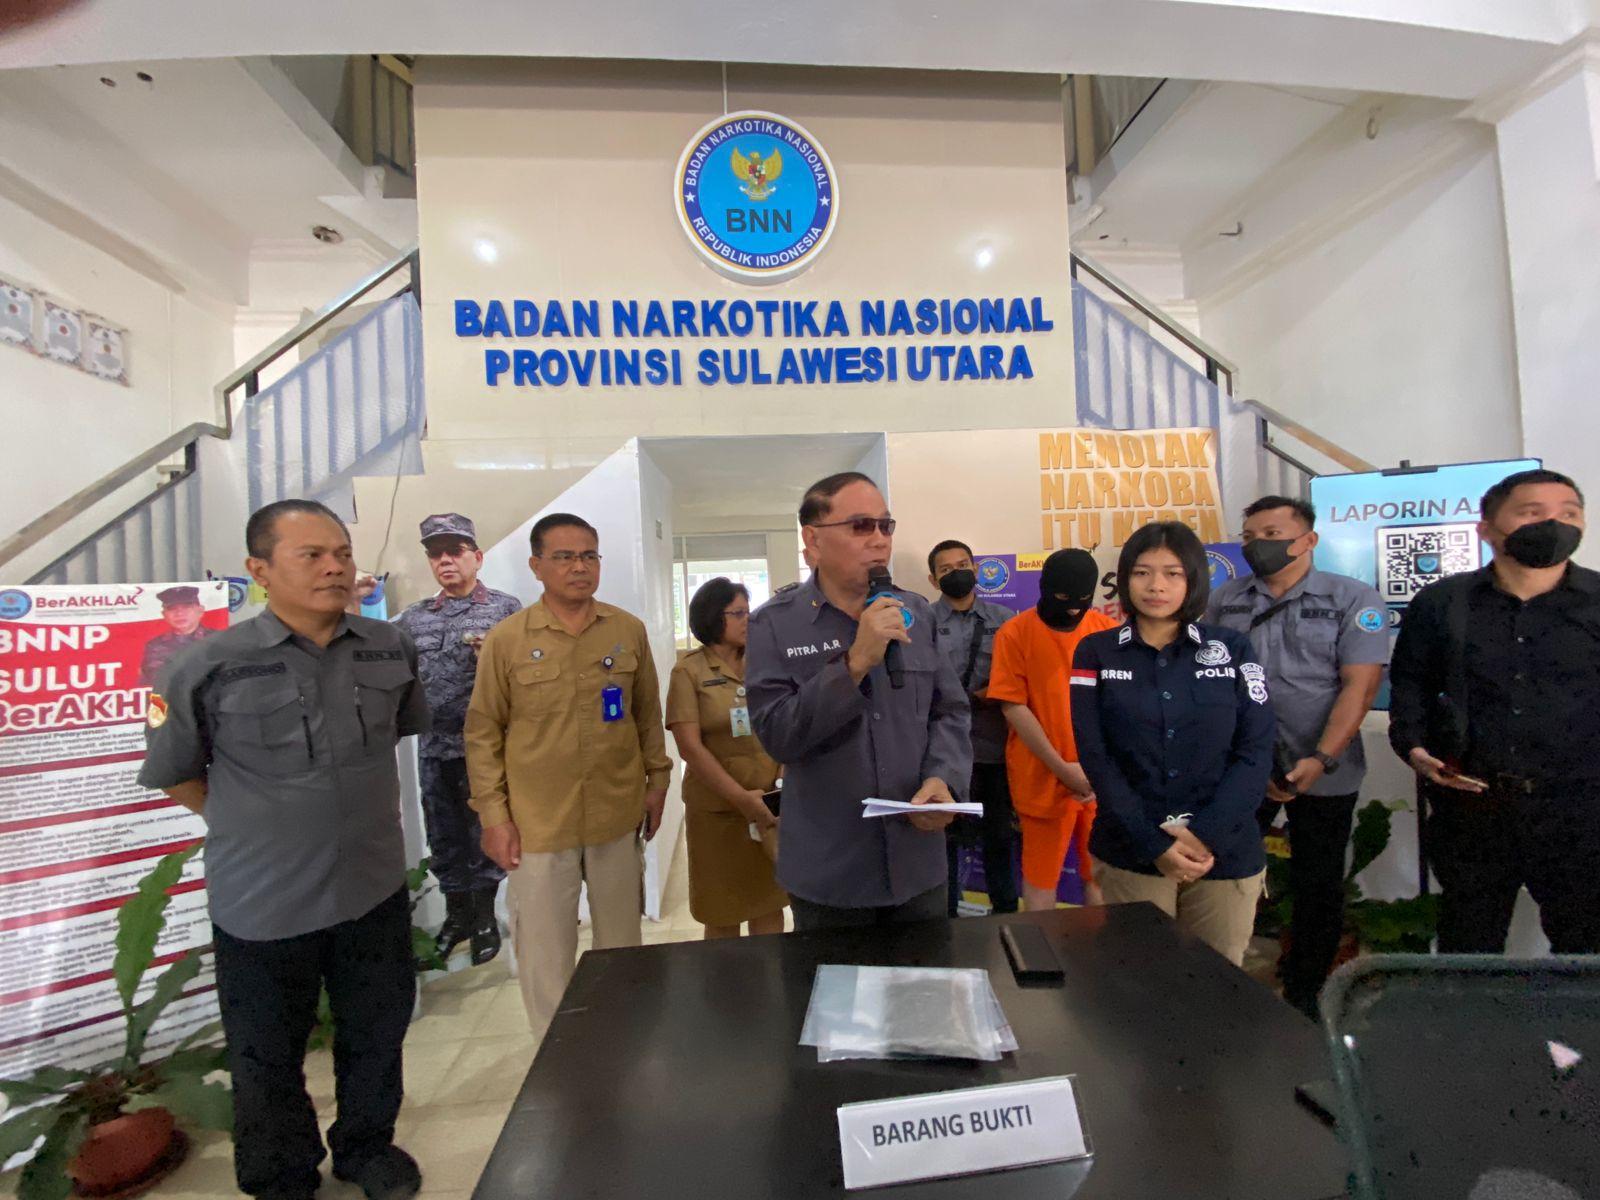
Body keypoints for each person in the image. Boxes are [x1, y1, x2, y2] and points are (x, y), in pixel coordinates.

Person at [139, 499, 429, 1200]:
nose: (335, 567)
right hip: (262, 902)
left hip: (372, 885)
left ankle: (366, 1148)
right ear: (259, 570)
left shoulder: (389, 646)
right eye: (312, 555)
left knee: (376, 1033)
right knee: (266, 1055)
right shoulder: (210, 662)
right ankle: (281, 1174)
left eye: (342, 553)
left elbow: (398, 734)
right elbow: (177, 770)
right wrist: (254, 824)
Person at [465, 513, 670, 1043]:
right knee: (546, 955)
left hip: (616, 813)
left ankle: (622, 1045)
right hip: (537, 823)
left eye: (589, 555)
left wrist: (658, 780)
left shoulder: (627, 631)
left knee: (620, 947)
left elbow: (646, 715)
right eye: (564, 556)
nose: (579, 567)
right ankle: (559, 1064)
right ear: (536, 566)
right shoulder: (507, 640)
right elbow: (483, 731)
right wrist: (494, 815)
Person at [746, 472, 971, 931]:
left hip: (917, 865)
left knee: (923, 998)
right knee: (834, 1002)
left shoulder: (918, 614)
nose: (879, 540)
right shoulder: (773, 625)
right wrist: (853, 664)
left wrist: (943, 779)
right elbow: (779, 736)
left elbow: (949, 710)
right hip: (831, 873)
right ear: (813, 540)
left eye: (885, 526)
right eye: (860, 526)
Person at [1389, 467, 1600, 954]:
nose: (1555, 524)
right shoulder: (1443, 602)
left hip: (1580, 812)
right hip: (1475, 807)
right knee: (1470, 944)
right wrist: (1415, 747)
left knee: (1585, 949)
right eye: (1533, 513)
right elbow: (1412, 684)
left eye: (1569, 514)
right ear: (1487, 528)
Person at [1206, 495, 1387, 1018]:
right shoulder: (1225, 600)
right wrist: (1248, 763)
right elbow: (1211, 683)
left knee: (1319, 881)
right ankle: (1219, 979)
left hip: (1324, 768)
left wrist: (1322, 758)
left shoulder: (1353, 598)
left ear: (1308, 540)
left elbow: (1360, 685)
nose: (1257, 544)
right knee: (1223, 871)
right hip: (1242, 766)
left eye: (1270, 532)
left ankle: (1307, 995)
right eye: (1249, 536)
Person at [1071, 521, 1276, 966]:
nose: (1156, 586)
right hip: (1132, 850)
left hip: (1224, 853)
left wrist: (1204, 836)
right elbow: (1096, 756)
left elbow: (1256, 751)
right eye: (1142, 572)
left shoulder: (1233, 648)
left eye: (1173, 573)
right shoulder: (1095, 652)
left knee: (1219, 985)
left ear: (1194, 579)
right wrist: (1154, 846)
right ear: (1124, 579)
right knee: (1139, 982)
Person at [393, 513, 521, 964]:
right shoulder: (414, 619)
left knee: (486, 828)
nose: (445, 560)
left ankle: (485, 916)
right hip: (434, 748)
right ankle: (457, 915)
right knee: (444, 834)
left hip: (486, 750)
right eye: (435, 553)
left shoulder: (506, 611)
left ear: (477, 557)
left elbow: (525, 680)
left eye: (455, 551)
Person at [987, 549, 1118, 911]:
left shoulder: (1107, 632)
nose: (1074, 609)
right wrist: (1063, 769)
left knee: (1101, 879)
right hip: (1040, 779)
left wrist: (1096, 772)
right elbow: (1013, 705)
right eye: (1063, 598)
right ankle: (1041, 963)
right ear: (1045, 588)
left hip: (1100, 783)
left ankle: (1101, 961)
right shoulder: (1015, 633)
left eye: (1083, 600)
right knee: (1040, 880)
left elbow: (1120, 709)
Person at [666, 577, 787, 938]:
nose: (747, 620)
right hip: (718, 812)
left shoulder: (766, 664)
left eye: (748, 612)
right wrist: (740, 799)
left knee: (770, 903)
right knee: (722, 911)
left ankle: (773, 990)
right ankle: (727, 990)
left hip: (770, 805)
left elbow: (786, 723)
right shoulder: (689, 671)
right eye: (737, 613)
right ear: (711, 618)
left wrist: (781, 779)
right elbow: (690, 747)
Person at [926, 538, 1018, 915]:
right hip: (942, 752)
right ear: (933, 580)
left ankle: (1007, 916)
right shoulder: (923, 622)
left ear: (977, 568)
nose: (956, 573)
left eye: (962, 564)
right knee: (942, 839)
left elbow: (1019, 678)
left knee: (999, 837)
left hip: (994, 748)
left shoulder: (1006, 620)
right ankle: (945, 919)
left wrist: (988, 693)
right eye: (946, 569)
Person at [139, 585, 217, 685]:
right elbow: (157, 679)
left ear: (200, 611)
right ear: (164, 615)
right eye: (172, 608)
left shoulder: (218, 640)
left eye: (186, 607)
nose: (179, 613)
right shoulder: (155, 645)